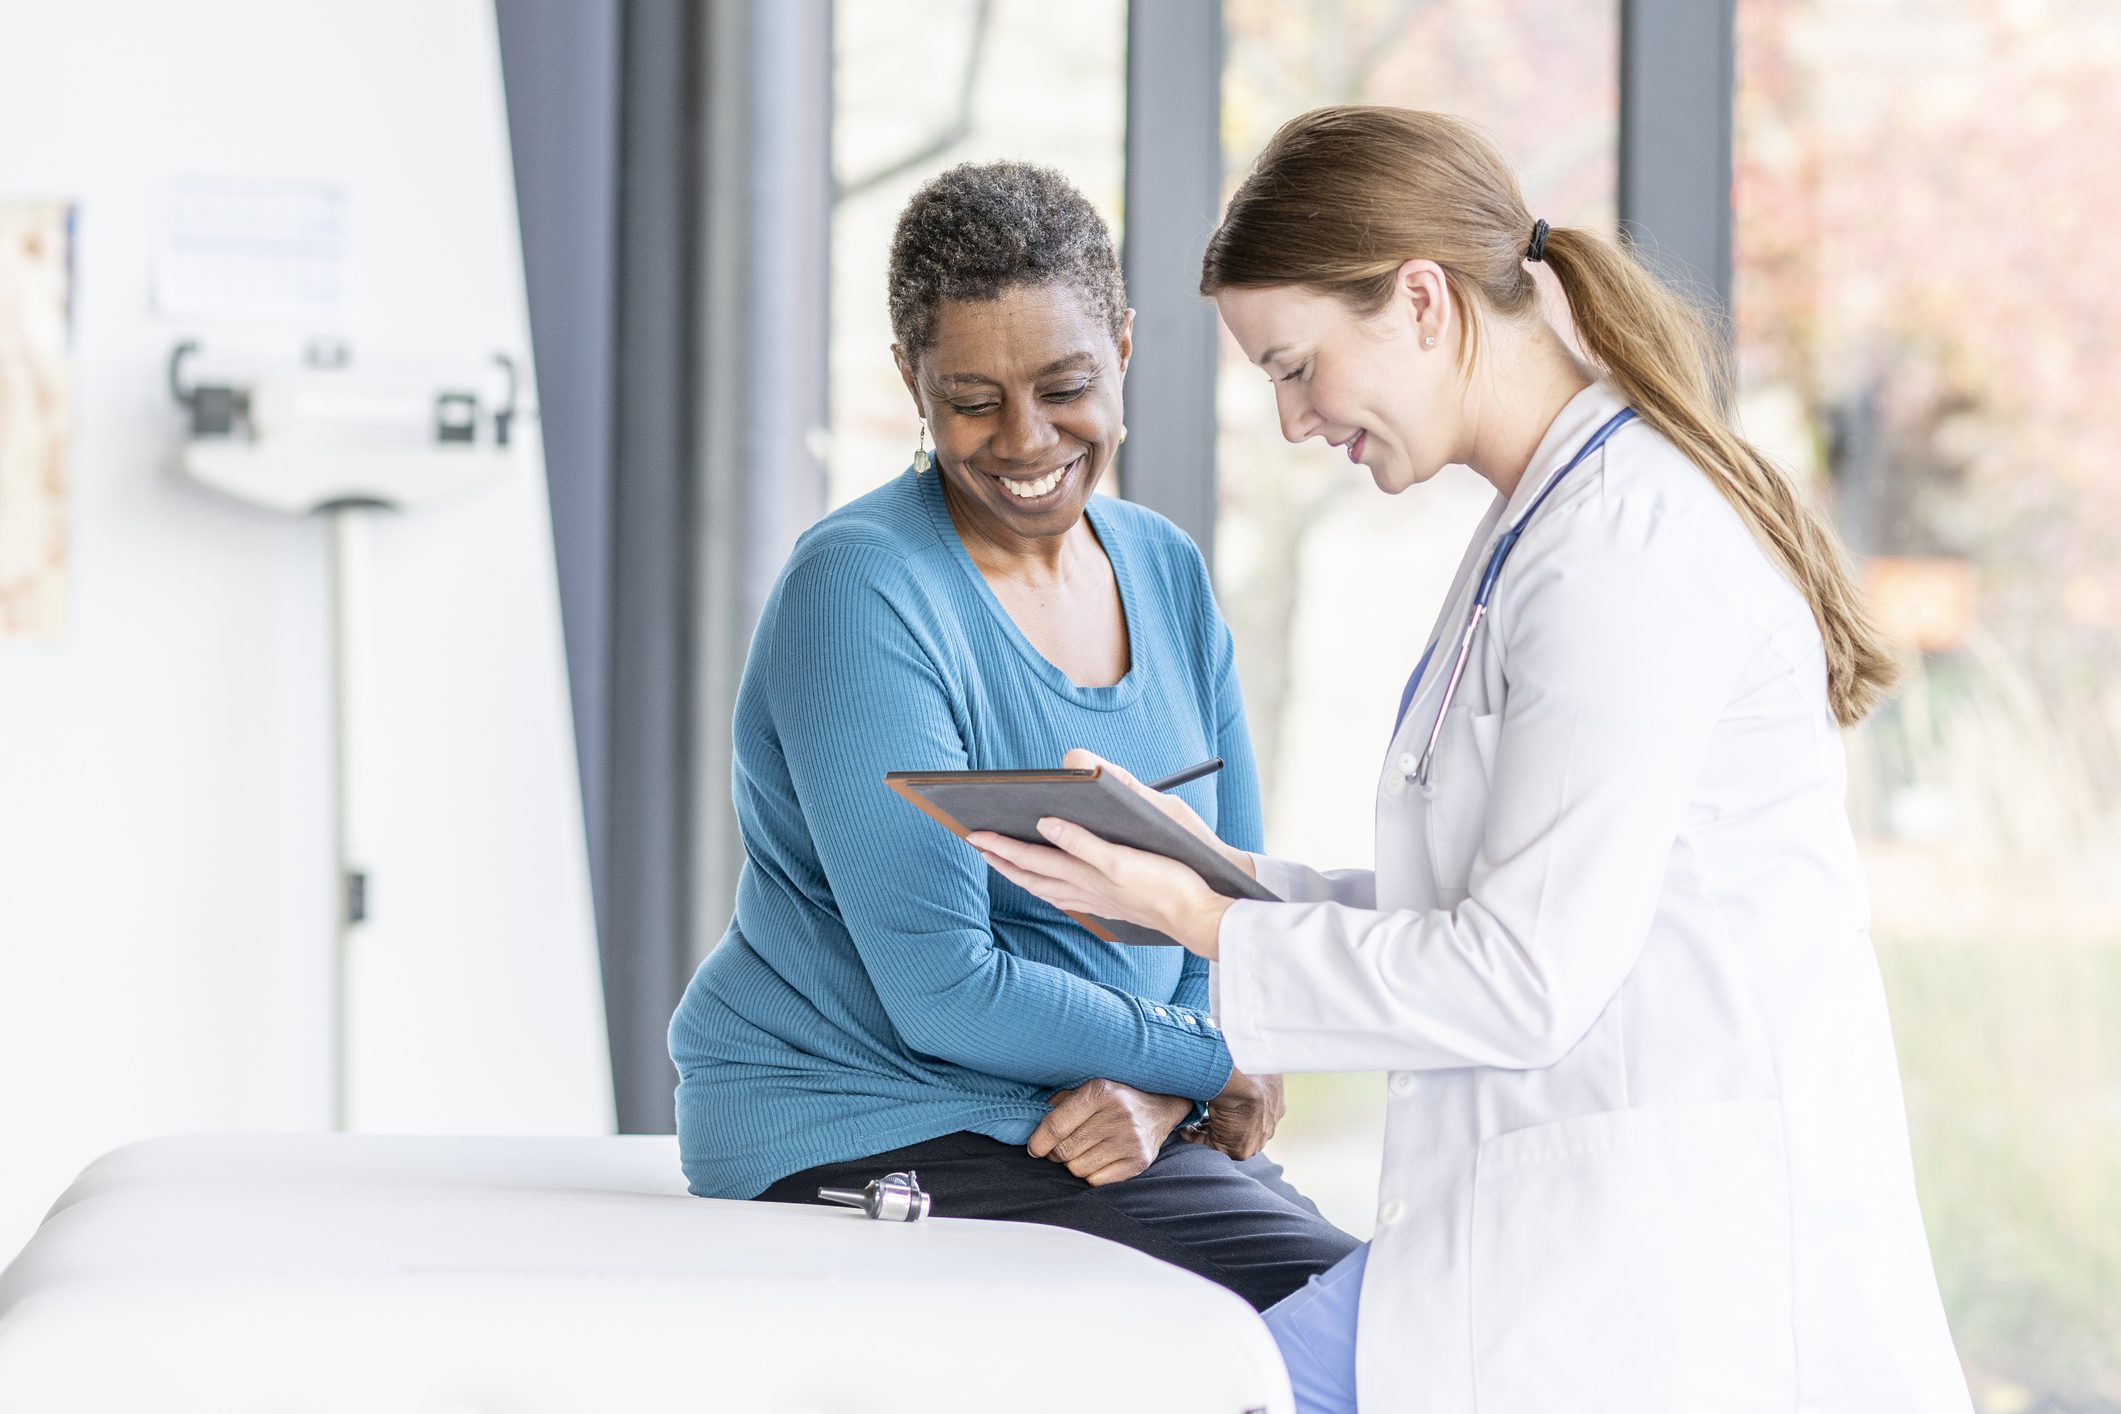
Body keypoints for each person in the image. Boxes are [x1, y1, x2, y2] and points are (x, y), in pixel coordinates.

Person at [973, 108, 1972, 1412]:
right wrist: (1219, 881)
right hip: (1551, 1256)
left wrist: (1205, 922)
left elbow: (1519, 976)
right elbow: (1480, 906)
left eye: (1295, 366)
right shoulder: (1542, 529)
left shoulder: (1624, 548)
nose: (1290, 421)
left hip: (1670, 1285)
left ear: (1424, 303)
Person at [666, 160, 1357, 1312]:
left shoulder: (1165, 569)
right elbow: (942, 988)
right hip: (875, 1114)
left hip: (1101, 1111)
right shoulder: (864, 592)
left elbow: (1223, 910)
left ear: (1126, 349)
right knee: (1349, 1320)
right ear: (912, 382)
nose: (1025, 440)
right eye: (972, 398)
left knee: (1415, 1312)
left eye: (1065, 384)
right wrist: (1203, 1065)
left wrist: (1168, 1093)